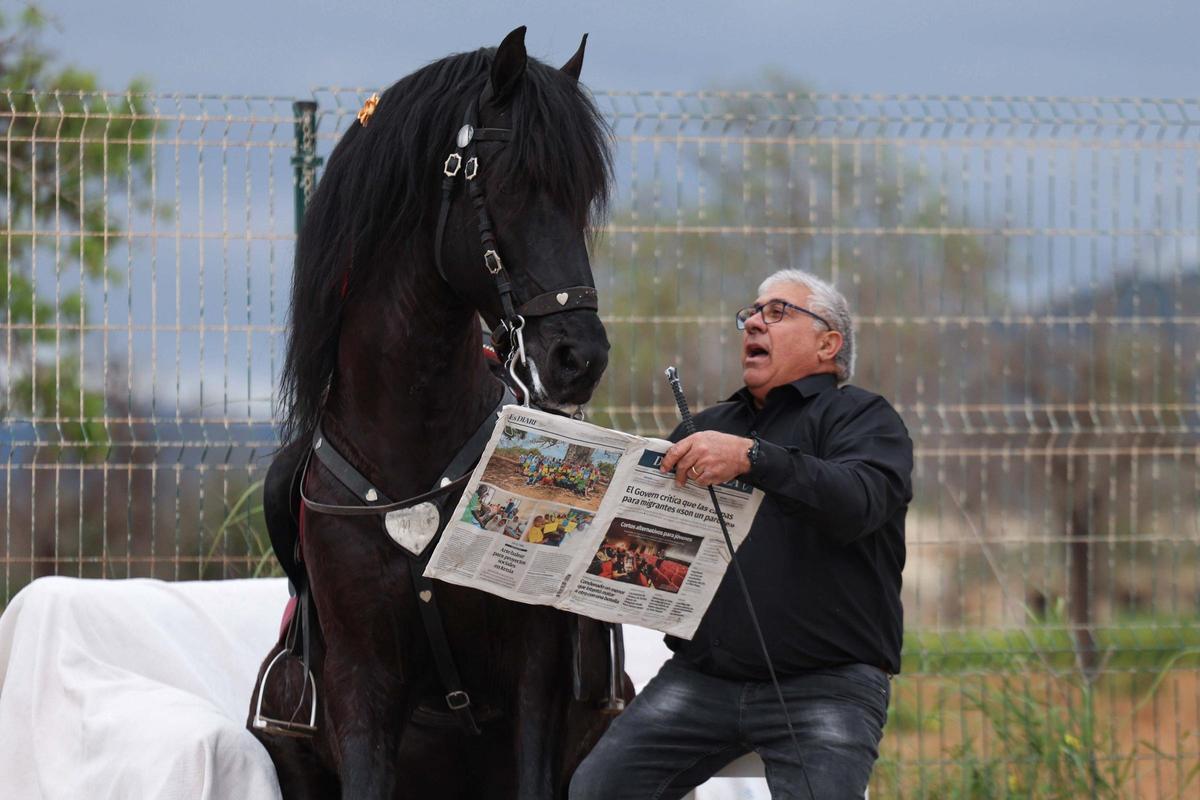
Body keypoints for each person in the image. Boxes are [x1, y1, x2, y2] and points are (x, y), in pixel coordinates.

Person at [570, 269, 912, 799]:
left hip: (827, 686)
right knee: (594, 791)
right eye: (751, 313)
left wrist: (751, 458)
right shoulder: (705, 428)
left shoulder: (861, 416)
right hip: (702, 679)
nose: (754, 322)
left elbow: (859, 502)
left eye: (777, 312)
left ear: (829, 344)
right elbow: (641, 541)